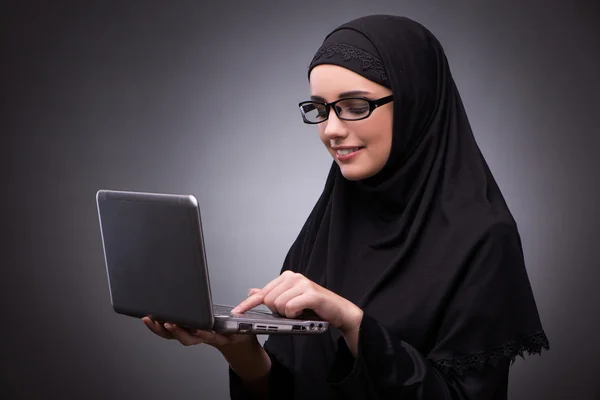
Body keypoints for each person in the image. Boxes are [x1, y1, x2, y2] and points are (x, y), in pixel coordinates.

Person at [143, 14, 549, 399]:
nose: (331, 130)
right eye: (320, 109)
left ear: (415, 102)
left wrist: (352, 323)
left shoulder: (483, 238)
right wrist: (239, 349)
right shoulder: (332, 221)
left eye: (356, 106)